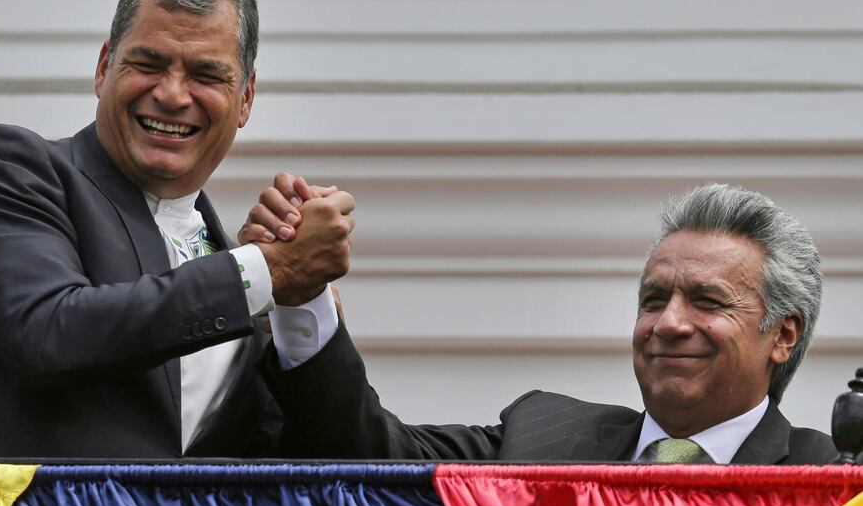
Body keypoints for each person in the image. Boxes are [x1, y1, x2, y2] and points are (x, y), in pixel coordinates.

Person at [0, 0, 353, 458]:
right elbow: (48, 334)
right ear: (104, 68)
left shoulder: (235, 277)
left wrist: (303, 301)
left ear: (246, 98)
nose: (170, 94)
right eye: (147, 64)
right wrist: (267, 272)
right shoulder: (10, 168)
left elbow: (323, 461)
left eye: (206, 75)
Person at [250, 182, 836, 463]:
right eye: (653, 300)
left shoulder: (832, 486)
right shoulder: (541, 439)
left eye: (707, 302)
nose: (668, 324)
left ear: (782, 334)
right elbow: (365, 456)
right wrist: (302, 298)